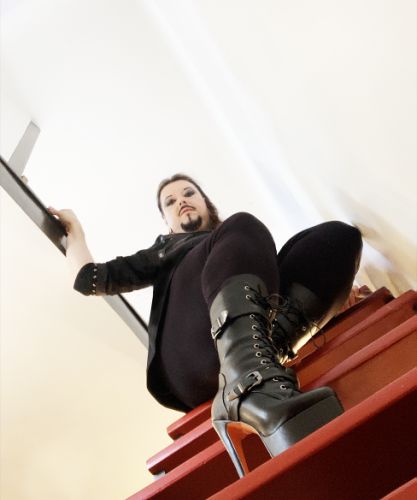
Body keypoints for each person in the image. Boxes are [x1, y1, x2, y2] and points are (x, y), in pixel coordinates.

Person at [48, 173, 365, 477]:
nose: (181, 201)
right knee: (242, 225)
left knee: (337, 237)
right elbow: (87, 278)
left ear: (205, 202)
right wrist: (75, 232)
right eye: (170, 201)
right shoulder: (165, 249)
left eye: (189, 193)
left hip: (254, 332)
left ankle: (256, 367)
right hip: (191, 360)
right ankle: (252, 381)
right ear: (166, 221)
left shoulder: (243, 245)